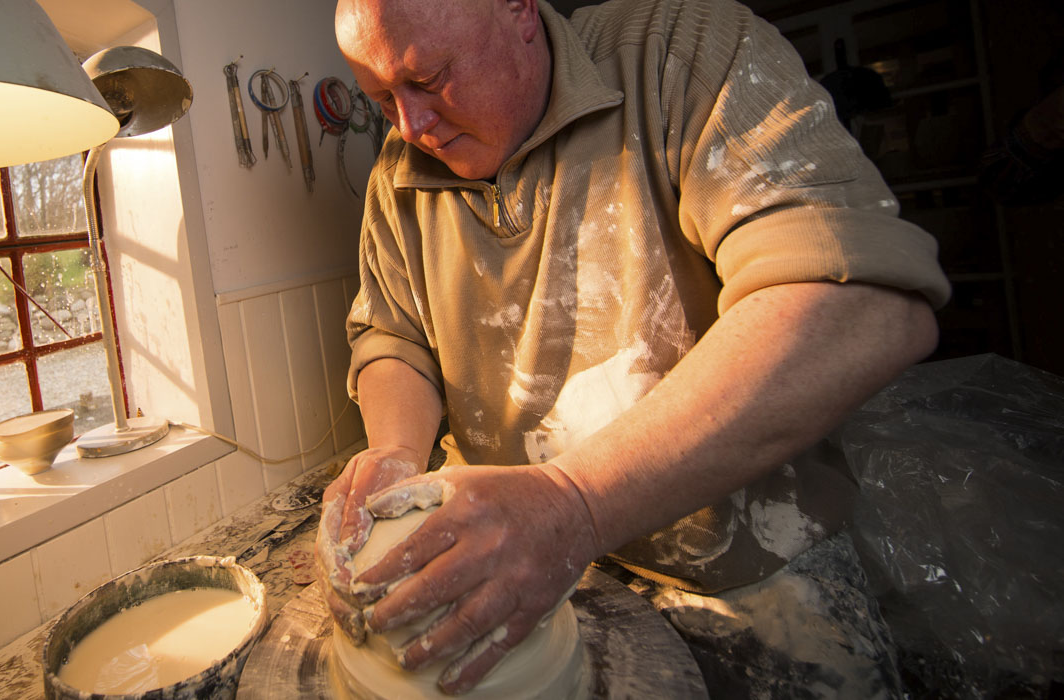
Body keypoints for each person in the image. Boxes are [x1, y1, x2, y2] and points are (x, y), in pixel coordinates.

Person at [316, 0, 952, 696]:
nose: (410, 125)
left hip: (738, 571)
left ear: (518, 9)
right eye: (380, 98)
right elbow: (393, 334)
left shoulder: (684, 55)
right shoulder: (398, 170)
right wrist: (395, 453)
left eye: (430, 78)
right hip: (504, 560)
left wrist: (573, 503)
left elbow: (862, 303)